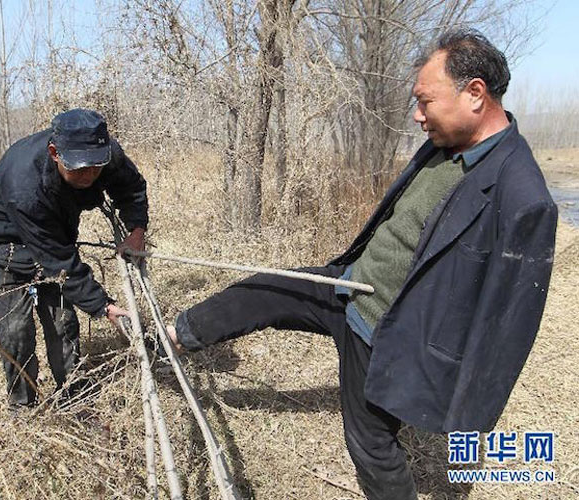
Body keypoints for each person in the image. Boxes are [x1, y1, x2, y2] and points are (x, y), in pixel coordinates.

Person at [166, 29, 557, 499]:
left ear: (474, 93)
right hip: (350, 286)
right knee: (265, 289)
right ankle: (174, 338)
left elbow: (508, 328)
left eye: (425, 101)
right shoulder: (445, 141)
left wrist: (467, 418)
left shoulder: (522, 196)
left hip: (386, 332)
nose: (416, 115)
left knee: (371, 444)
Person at [0, 108, 148, 410]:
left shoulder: (105, 154)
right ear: (55, 152)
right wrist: (103, 306)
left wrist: (137, 228)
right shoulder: (24, 185)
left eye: (96, 167)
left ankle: (73, 392)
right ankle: (22, 406)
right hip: (3, 245)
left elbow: (131, 188)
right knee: (16, 331)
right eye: (79, 169)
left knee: (63, 321)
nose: (90, 176)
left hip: (53, 235)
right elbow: (58, 260)